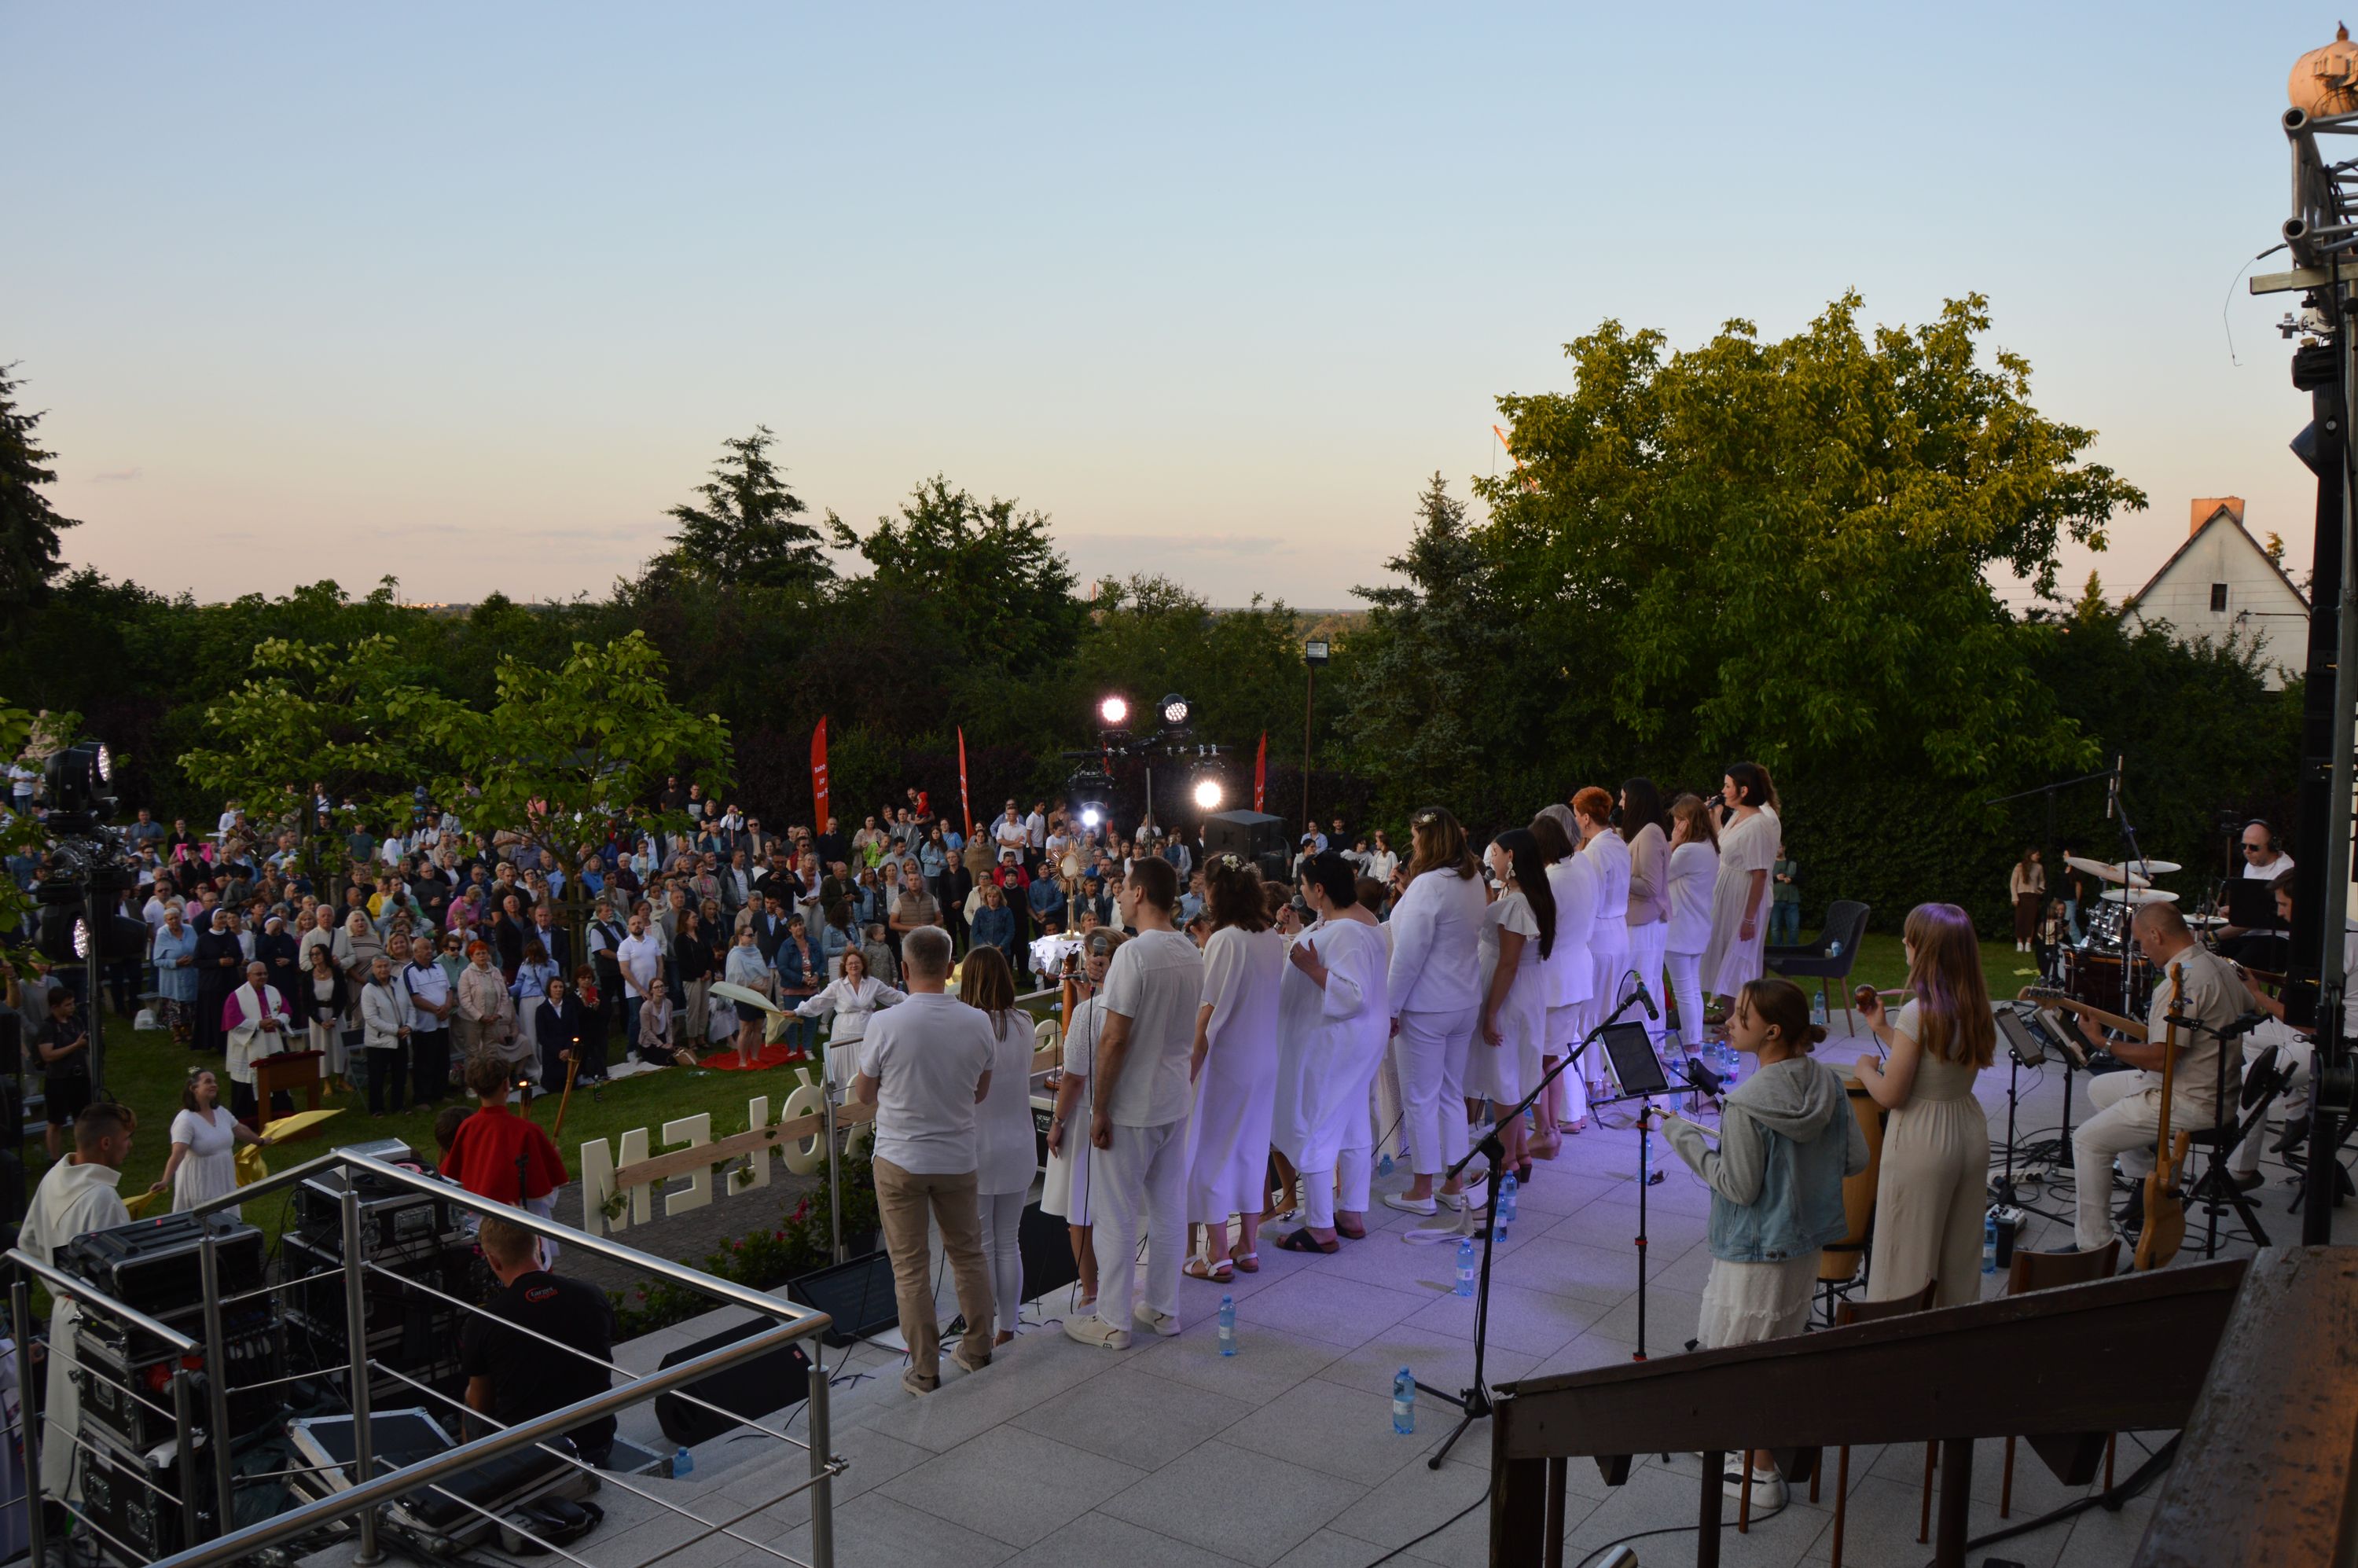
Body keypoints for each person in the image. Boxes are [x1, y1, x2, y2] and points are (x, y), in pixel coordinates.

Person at [1658, 978, 1866, 1507]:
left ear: (1772, 1031)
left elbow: (1737, 1187)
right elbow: (1855, 1159)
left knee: (1741, 1359)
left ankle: (1760, 1472)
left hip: (1754, 1253)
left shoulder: (1746, 1103)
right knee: (1777, 1348)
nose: (1728, 1021)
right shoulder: (1827, 1082)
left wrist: (1684, 1137)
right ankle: (1744, 1447)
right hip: (1803, 1246)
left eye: (1741, 1015)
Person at [853, 925, 997, 1394]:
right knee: (968, 1255)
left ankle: (924, 1370)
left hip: (900, 1158)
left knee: (910, 1267)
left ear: (904, 968)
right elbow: (980, 1093)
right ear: (951, 967)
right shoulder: (978, 1022)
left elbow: (864, 1093)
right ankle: (978, 1348)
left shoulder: (886, 1023)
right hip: (957, 1156)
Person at [1066, 857, 1201, 1350]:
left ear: (1140, 893)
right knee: (1167, 1207)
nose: (1119, 896)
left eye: (1123, 888)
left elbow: (1114, 1038)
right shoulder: (1191, 951)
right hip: (1173, 1097)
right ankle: (1164, 1308)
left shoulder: (1134, 955)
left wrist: (1099, 1108)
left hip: (1133, 1105)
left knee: (1115, 1212)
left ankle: (1113, 1319)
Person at [2057, 902, 2243, 1251]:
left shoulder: (2180, 982)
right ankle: (2145, 1186)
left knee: (2087, 1141)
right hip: (2217, 1088)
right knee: (2101, 1088)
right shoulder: (2218, 965)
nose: (2142, 951)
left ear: (2156, 935)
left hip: (2191, 1099)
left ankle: (2093, 1246)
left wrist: (2103, 1043)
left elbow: (2161, 1058)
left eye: (2141, 941)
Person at [1856, 904, 1994, 1308]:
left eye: (1910, 937)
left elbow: (1892, 1095)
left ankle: (1900, 1339)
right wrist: (1884, 1029)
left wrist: (1865, 1070)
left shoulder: (1918, 1011)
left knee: (1905, 1262)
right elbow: (1935, 1061)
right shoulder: (1974, 1004)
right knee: (1959, 1258)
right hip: (1969, 1131)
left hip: (1923, 1137)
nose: (1904, 942)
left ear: (1926, 950)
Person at [1271, 852, 1390, 1253]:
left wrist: (1310, 968)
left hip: (1337, 1042)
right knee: (1352, 1122)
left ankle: (1321, 1225)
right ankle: (1351, 1212)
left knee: (1317, 1123)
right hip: (1358, 1039)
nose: (1301, 891)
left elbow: (1352, 994)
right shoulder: (1362, 921)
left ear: (1320, 889)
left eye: (1304, 886)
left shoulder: (1348, 932)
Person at [20, 1101, 135, 1503]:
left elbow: (27, 1244)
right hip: (95, 1320)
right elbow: (120, 1275)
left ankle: (76, 1504)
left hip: (63, 1311)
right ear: (105, 1143)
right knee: (104, 1420)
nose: (130, 1146)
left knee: (70, 1419)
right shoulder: (102, 1197)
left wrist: (58, 1288)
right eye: (126, 1139)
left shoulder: (55, 1176)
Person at [1184, 856, 1287, 1281]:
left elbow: (1208, 1012)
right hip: (1263, 1058)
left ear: (1218, 891)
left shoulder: (1225, 941)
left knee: (1211, 1149)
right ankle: (1247, 1244)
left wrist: (1191, 1067)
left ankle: (1218, 1252)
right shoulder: (1270, 936)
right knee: (1250, 1148)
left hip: (1229, 1060)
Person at [1383, 807, 1489, 1217]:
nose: (1411, 845)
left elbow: (1409, 955)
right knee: (1449, 1094)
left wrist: (1391, 1007)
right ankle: (1453, 1182)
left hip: (1427, 1005)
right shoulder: (1471, 878)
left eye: (1415, 838)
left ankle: (1422, 1189)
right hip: (1463, 999)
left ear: (1428, 841)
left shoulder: (1429, 885)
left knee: (1420, 1097)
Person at [461, 1217, 615, 1463]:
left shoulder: (485, 1321)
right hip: (596, 1444)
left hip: (527, 1458)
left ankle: (470, 1469)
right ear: (539, 1245)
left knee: (472, 1395)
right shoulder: (591, 1295)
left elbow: (480, 1403)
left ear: (493, 1261)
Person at [1045, 929, 1123, 1313]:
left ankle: (1092, 1290)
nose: (1091, 961)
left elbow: (1074, 1077)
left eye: (1095, 955)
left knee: (1081, 1209)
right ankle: (1116, 1284)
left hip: (1087, 1115)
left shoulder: (1090, 1012)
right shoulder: (1132, 1005)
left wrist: (1057, 1121)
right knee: (1116, 1206)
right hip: (1126, 1111)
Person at [1470, 829, 1554, 1185]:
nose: (1492, 859)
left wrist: (1491, 1013)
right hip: (1525, 990)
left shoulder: (1518, 904)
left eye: (1495, 852)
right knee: (1513, 1072)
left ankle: (1506, 1161)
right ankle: (1519, 1152)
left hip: (1510, 994)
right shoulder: (1529, 895)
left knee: (1505, 1075)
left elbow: (1508, 963)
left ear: (1512, 856)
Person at [963, 946, 1036, 1347]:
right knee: (1010, 1241)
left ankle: (987, 1328)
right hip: (1019, 1140)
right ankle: (1008, 1325)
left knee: (985, 1245)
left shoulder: (970, 1027)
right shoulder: (1025, 1021)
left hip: (979, 1144)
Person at [444, 1053, 569, 1258]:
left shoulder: (467, 1127)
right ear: (506, 1085)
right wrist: (550, 1159)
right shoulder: (526, 1130)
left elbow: (453, 1178)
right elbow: (545, 1195)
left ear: (474, 1089)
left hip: (479, 1227)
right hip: (521, 1227)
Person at [1531, 807, 1596, 1153]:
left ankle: (1546, 1131)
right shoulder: (1581, 869)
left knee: (1540, 1061)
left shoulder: (1552, 880)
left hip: (1554, 979)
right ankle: (1552, 1126)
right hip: (1576, 974)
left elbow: (1538, 931)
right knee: (1552, 1057)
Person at [1701, 762, 1780, 1015]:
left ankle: (1743, 1020)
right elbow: (1725, 848)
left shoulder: (1759, 824)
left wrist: (1749, 919)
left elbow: (1759, 874)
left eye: (1728, 786)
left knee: (1738, 960)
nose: (1723, 790)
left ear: (1744, 790)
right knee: (1724, 957)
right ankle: (1730, 1018)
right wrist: (1714, 817)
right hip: (1726, 894)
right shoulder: (1737, 817)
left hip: (1743, 896)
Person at [1572, 787, 1633, 1097]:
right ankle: (1605, 1077)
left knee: (1593, 1010)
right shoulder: (1617, 843)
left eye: (1576, 815)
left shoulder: (1595, 853)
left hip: (1600, 935)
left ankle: (1591, 1079)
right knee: (1608, 1008)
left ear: (1585, 818)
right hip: (1619, 932)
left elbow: (1589, 900)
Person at [152, 1067, 262, 1217]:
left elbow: (240, 1129)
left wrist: (260, 1141)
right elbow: (178, 1154)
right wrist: (165, 1181)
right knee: (207, 1222)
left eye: (215, 1082)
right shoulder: (185, 1120)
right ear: (194, 1089)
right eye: (208, 1082)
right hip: (201, 1182)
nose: (214, 1085)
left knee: (227, 1221)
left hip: (223, 1178)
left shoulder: (221, 1112)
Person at [1663, 795, 1721, 1055]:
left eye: (1678, 820)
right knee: (1692, 989)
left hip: (1680, 929)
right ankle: (1694, 1041)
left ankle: (1692, 1045)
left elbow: (1661, 873)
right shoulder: (1709, 847)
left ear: (1686, 822)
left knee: (1684, 991)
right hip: (1697, 926)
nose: (1675, 826)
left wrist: (1673, 842)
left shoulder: (1687, 851)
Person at [794, 949, 907, 1079]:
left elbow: (893, 996)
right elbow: (818, 1002)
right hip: (843, 1033)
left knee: (868, 1066)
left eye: (857, 963)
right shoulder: (837, 986)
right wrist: (797, 1011)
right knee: (843, 1068)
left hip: (867, 1031)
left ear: (863, 965)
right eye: (850, 964)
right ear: (845, 967)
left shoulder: (873, 983)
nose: (854, 966)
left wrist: (915, 1000)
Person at [1623, 779, 1671, 1043]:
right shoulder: (1645, 831)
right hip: (1641, 920)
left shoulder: (1651, 833)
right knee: (1644, 981)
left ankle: (1644, 1042)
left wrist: (1619, 877)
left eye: (1624, 798)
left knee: (1642, 982)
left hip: (1646, 921)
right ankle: (1647, 1041)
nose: (1621, 804)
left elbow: (1651, 886)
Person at [221, 958, 295, 1125]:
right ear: (248, 976)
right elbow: (233, 1022)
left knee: (276, 1080)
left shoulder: (274, 991)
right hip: (249, 1048)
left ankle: (280, 1118)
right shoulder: (237, 996)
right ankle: (249, 1123)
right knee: (249, 1084)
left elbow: (286, 1009)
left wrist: (279, 1021)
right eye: (258, 974)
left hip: (272, 1043)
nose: (263, 977)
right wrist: (258, 1024)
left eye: (265, 973)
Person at [35, 984, 91, 1160]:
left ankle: (83, 1156)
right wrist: (75, 1046)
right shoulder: (47, 1027)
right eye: (67, 1005)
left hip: (80, 1078)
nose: (72, 1007)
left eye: (72, 1003)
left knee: (82, 1120)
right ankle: (54, 1159)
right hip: (58, 1080)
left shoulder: (76, 1021)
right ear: (54, 1007)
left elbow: (84, 1044)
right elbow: (48, 1055)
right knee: (56, 1122)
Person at [360, 953, 414, 1116]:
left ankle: (398, 1106)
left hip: (401, 1037)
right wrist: (395, 1030)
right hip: (379, 1041)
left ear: (390, 967)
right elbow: (371, 1018)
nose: (383, 969)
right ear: (373, 969)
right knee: (377, 1076)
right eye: (379, 967)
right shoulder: (368, 990)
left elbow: (410, 1007)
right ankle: (377, 1109)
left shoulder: (399, 984)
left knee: (400, 1074)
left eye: (386, 966)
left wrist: (409, 1026)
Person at [406, 932, 455, 1107]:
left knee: (442, 1059)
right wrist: (436, 1010)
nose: (429, 951)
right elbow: (414, 998)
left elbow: (448, 990)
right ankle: (422, 1098)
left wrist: (447, 1007)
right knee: (424, 1062)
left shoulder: (438, 967)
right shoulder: (410, 971)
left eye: (430, 947)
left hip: (442, 1022)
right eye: (425, 948)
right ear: (416, 952)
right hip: (424, 1025)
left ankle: (439, 1093)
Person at [722, 924, 775, 1068]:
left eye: (753, 935)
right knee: (746, 1028)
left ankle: (755, 1057)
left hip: (760, 994)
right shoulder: (735, 955)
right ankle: (742, 1060)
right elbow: (739, 979)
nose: (752, 938)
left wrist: (764, 986)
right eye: (749, 935)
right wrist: (759, 988)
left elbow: (763, 971)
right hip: (745, 996)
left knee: (758, 1026)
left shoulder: (755, 951)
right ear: (740, 936)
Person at [193, 906, 244, 1056]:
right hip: (211, 983)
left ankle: (231, 1042)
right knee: (215, 1015)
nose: (223, 920)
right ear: (212, 920)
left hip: (230, 981)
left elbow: (240, 956)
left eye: (225, 917)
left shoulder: (231, 936)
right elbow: (197, 961)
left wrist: (233, 961)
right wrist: (217, 962)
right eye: (220, 918)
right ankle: (217, 1043)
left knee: (230, 1013)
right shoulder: (203, 939)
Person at [150, 902, 200, 1047]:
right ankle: (176, 1032)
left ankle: (188, 1029)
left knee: (189, 1005)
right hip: (172, 978)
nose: (174, 921)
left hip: (190, 974)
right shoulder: (162, 934)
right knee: (174, 1006)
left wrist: (193, 958)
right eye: (170, 919)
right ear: (166, 921)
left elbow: (198, 949)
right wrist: (175, 963)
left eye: (176, 918)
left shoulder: (190, 930)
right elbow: (157, 960)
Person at [2009, 850, 2044, 954]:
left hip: (2033, 896)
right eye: (2037, 854)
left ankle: (2028, 943)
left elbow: (2042, 881)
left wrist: (2040, 890)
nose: (2038, 856)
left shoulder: (2039, 867)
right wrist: (2014, 897)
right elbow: (2013, 883)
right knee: (2020, 919)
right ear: (2030, 854)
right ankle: (2019, 942)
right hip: (2021, 896)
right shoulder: (2019, 866)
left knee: (2031, 919)